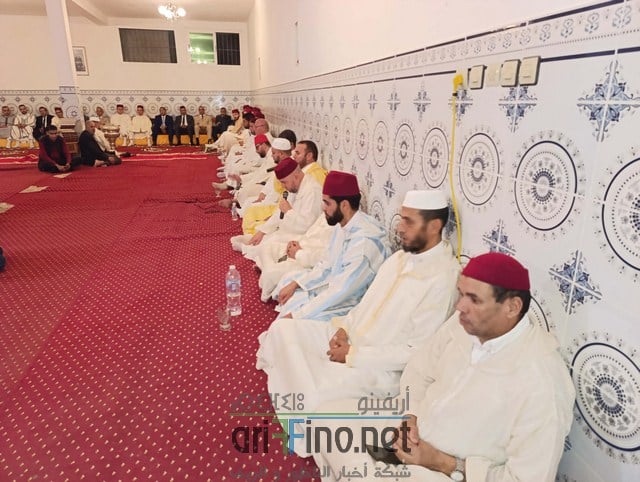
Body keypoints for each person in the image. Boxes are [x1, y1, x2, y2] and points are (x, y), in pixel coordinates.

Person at [312, 252, 576, 482]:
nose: (460, 306)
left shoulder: (542, 380)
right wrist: (411, 418)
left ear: (512, 307)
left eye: (474, 299)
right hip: (413, 430)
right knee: (325, 418)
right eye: (461, 294)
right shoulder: (465, 325)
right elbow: (419, 371)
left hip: (450, 472)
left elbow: (524, 478)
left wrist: (442, 462)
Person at [256, 190, 461, 444]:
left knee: (315, 396)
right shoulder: (399, 259)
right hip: (349, 338)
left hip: (378, 367)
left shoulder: (444, 277)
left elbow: (416, 351)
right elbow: (365, 305)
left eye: (409, 221)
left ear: (434, 226)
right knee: (282, 330)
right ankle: (295, 384)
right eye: (402, 219)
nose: (399, 227)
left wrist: (353, 355)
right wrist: (343, 329)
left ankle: (298, 400)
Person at [273, 171, 390, 321]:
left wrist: (296, 315)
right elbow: (327, 263)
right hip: (336, 286)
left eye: (327, 203)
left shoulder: (364, 244)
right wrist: (297, 284)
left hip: (353, 304)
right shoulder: (343, 225)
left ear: (344, 205)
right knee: (288, 282)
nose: (323, 208)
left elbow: (342, 290)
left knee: (291, 321)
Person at [231, 156, 323, 262]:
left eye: (284, 182)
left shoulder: (312, 191)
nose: (283, 186)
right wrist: (262, 231)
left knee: (271, 246)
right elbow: (279, 213)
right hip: (289, 229)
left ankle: (248, 250)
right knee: (265, 236)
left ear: (296, 176)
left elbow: (307, 226)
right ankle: (253, 246)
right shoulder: (295, 186)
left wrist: (288, 211)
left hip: (303, 236)